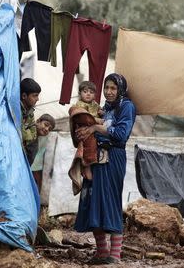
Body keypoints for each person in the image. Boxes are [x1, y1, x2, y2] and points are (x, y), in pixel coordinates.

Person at [74, 73, 136, 264]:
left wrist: (93, 129)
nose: (108, 92)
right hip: (95, 159)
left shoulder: (127, 106)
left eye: (113, 88)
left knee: (110, 201)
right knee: (93, 202)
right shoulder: (105, 108)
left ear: (120, 90)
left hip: (113, 158)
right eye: (106, 88)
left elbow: (120, 134)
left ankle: (115, 255)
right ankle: (102, 253)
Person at [28, 113, 56, 192]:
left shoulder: (35, 140)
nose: (47, 129)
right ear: (37, 122)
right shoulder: (27, 132)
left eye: (50, 129)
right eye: (46, 125)